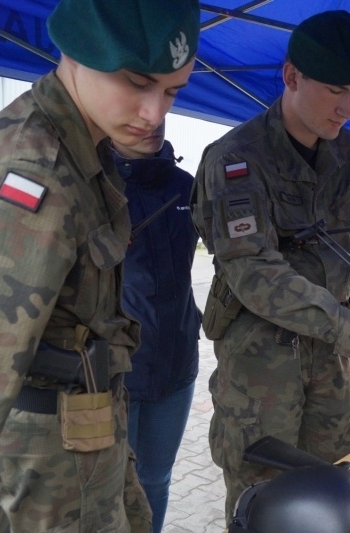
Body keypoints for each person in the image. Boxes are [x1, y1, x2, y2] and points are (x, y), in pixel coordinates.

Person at [190, 10, 350, 521]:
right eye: (335, 91)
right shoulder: (236, 158)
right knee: (263, 502)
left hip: (329, 359)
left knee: (339, 489)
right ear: (291, 77)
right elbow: (254, 272)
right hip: (262, 363)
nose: (348, 108)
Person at [0, 0, 200, 531]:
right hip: (45, 472)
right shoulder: (33, 175)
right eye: (137, 82)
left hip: (83, 439)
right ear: (75, 51)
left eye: (172, 91)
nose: (155, 112)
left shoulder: (85, 149)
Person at [111, 121, 201, 532]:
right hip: (115, 370)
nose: (152, 118)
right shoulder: (94, 186)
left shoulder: (186, 186)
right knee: (111, 485)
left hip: (177, 363)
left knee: (155, 479)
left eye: (165, 102)